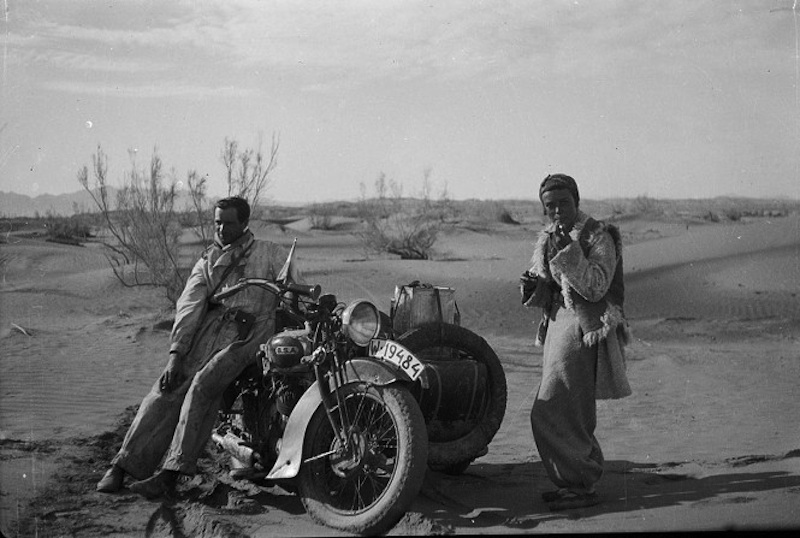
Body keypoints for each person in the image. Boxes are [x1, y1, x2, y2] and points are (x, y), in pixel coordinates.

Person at [96, 196, 303, 499]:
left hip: (253, 334)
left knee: (204, 384)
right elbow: (189, 308)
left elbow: (296, 288)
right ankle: (122, 466)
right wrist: (175, 355)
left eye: (228, 223)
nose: (221, 228)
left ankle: (171, 474)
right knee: (167, 388)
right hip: (210, 331)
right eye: (217, 222)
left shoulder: (269, 253)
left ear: (244, 223)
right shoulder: (207, 261)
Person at [520, 174, 631, 511]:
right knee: (567, 408)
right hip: (556, 325)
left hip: (583, 328)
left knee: (558, 407)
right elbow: (552, 288)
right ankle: (576, 481)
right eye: (549, 206)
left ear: (576, 201)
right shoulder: (549, 238)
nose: (556, 211)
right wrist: (534, 289)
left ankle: (581, 482)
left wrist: (569, 254)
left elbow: (597, 287)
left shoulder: (599, 236)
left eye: (563, 203)